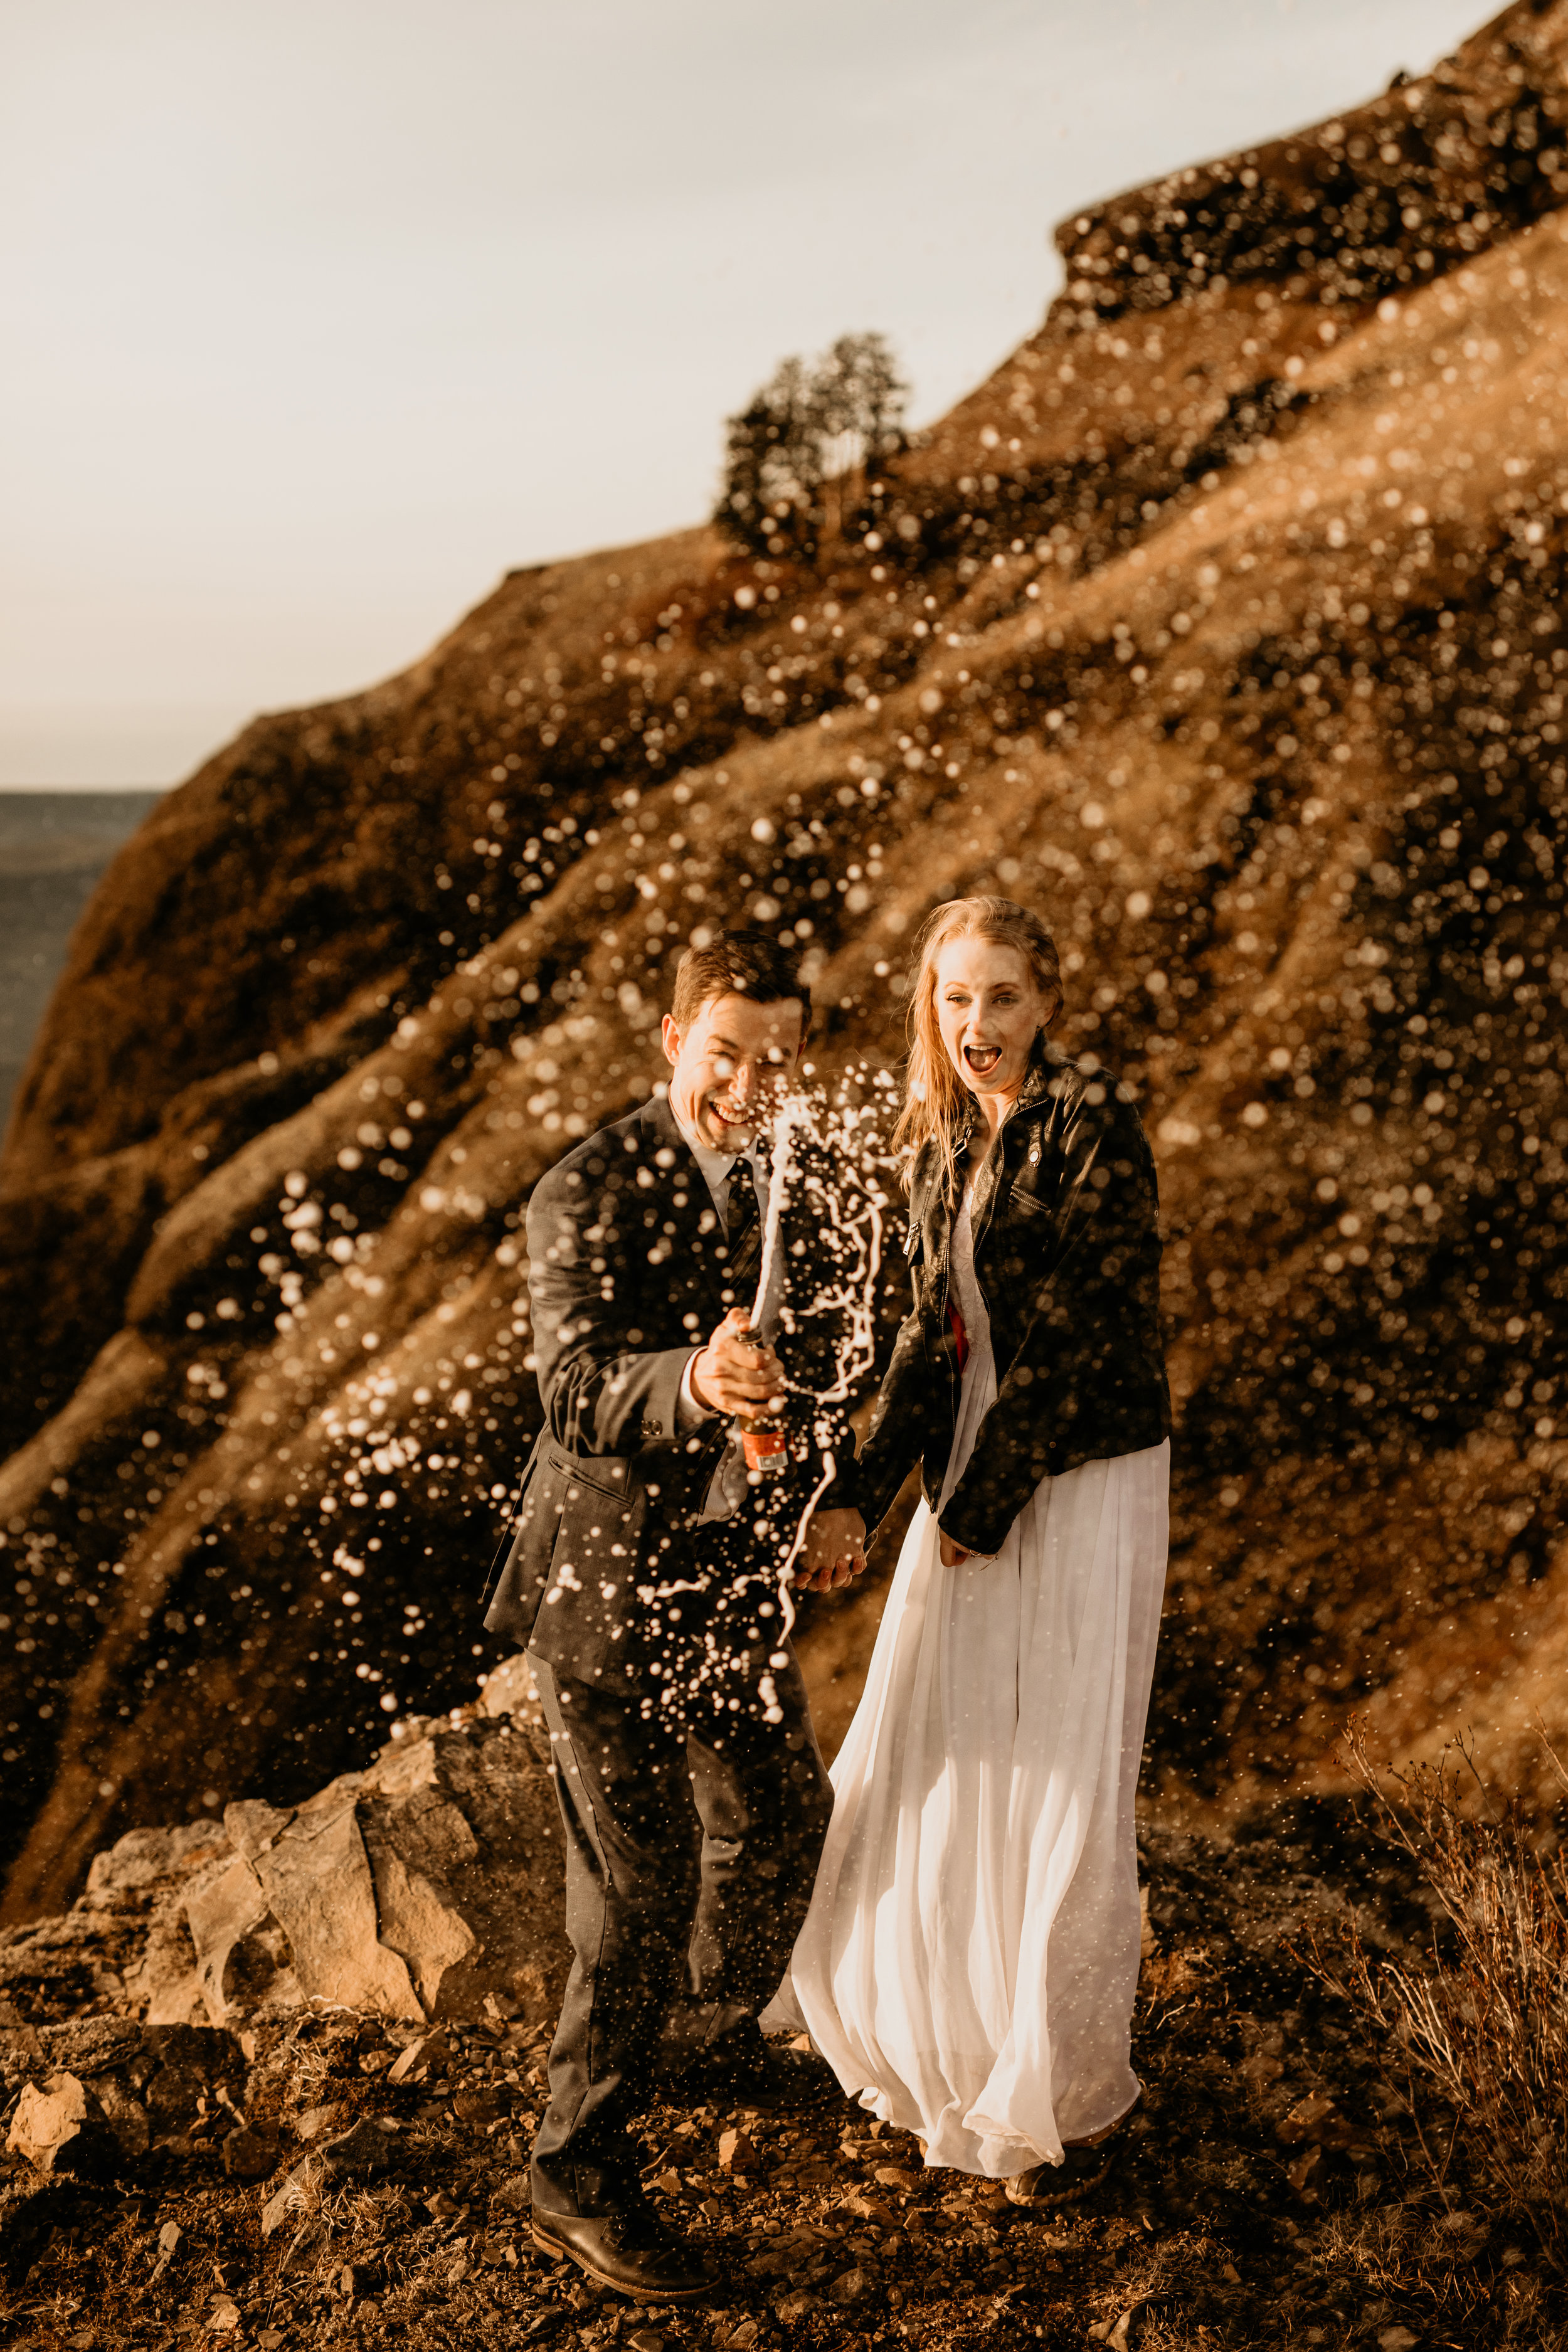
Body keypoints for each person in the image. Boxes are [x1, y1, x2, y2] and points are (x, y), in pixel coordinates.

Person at [483, 929, 866, 2303]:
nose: (750, 1085)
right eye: (725, 1055)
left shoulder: (795, 1179)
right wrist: (695, 1383)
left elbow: (827, 1367)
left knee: (783, 1817)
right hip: (599, 1594)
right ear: (671, 1042)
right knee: (636, 1889)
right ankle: (570, 2171)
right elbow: (574, 1391)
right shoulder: (581, 1188)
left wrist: (827, 1496)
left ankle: (700, 2040)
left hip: (729, 1586)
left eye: (777, 1058)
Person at [772, 894, 1172, 2204]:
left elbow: (1076, 1336)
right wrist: (857, 1494)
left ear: (1045, 1002)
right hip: (974, 1470)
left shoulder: (1094, 1124)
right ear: (927, 1008)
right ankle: (940, 2029)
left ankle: (1052, 2089)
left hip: (1082, 1471)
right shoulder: (941, 1140)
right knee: (934, 1741)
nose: (976, 1022)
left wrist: (979, 1502)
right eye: (954, 998)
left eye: (1001, 995)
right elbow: (924, 1341)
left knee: (1060, 1764)